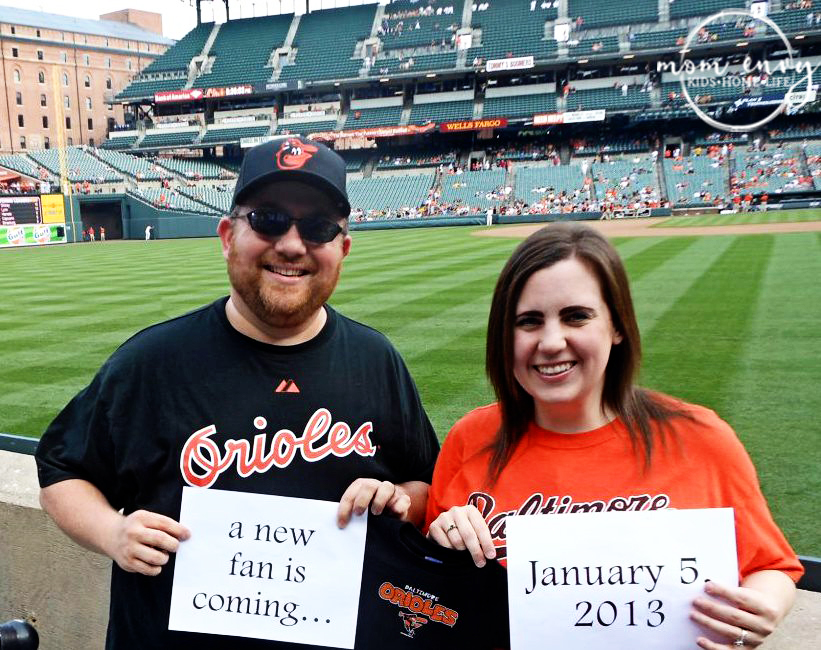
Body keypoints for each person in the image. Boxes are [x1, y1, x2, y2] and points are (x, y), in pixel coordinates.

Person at [36, 137, 439, 649]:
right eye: (269, 219)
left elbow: (426, 485)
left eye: (317, 228)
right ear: (228, 236)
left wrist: (400, 500)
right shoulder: (152, 361)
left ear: (342, 248)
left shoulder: (376, 361)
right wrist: (113, 534)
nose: (292, 245)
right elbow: (61, 472)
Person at [425, 223, 802, 650]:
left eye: (576, 316)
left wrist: (759, 607)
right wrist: (442, 538)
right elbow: (429, 587)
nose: (551, 342)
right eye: (528, 322)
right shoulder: (470, 437)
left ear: (617, 326)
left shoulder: (700, 437)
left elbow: (772, 565)